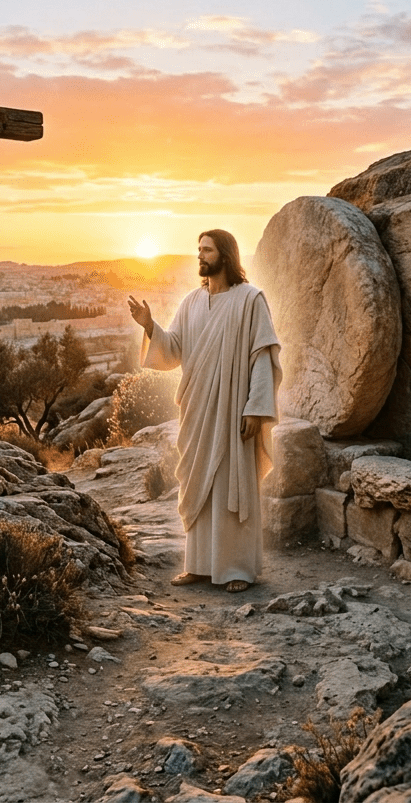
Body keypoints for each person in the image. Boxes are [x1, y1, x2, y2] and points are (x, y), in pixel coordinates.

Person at [128, 229, 281, 593]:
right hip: (198, 413)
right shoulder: (191, 302)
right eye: (198, 249)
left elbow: (262, 357)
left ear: (225, 256)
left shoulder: (250, 300)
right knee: (199, 485)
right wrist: (150, 326)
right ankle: (198, 565)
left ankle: (237, 570)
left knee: (231, 485)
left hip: (232, 411)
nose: (200, 255)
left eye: (207, 250)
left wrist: (256, 409)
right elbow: (175, 348)